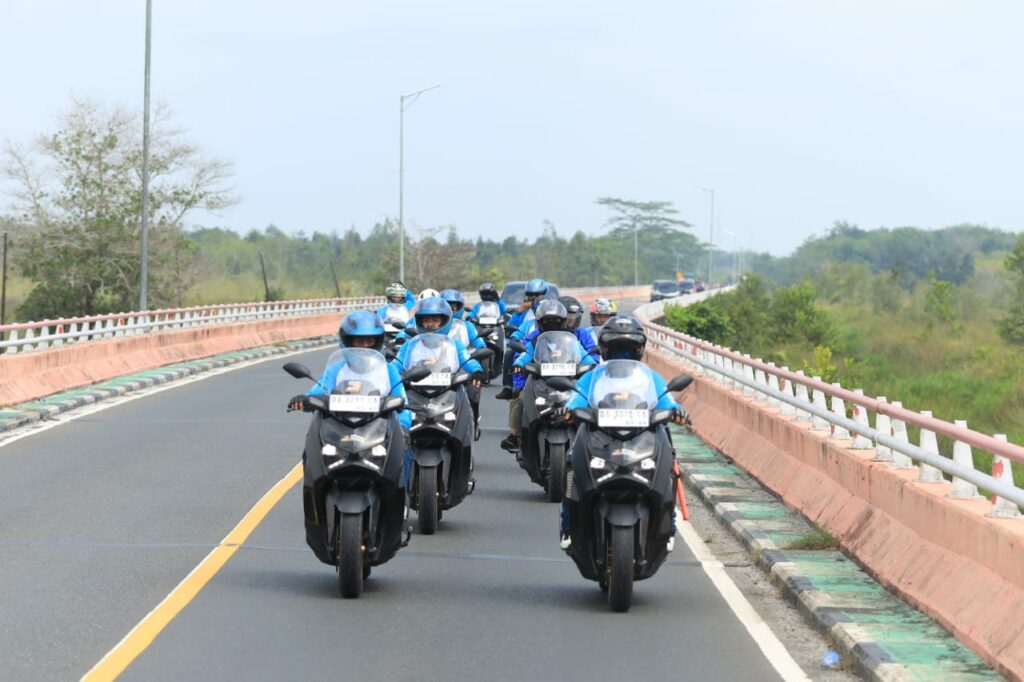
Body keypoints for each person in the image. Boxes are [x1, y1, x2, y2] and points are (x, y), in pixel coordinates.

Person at [557, 315, 691, 550]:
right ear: (605, 348)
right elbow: (576, 397)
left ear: (639, 349)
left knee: (668, 466)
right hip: (599, 437)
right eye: (617, 348)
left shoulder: (650, 377)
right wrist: (568, 410)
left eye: (629, 348)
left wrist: (677, 412)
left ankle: (668, 525)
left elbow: (667, 400)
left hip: (642, 438)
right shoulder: (593, 377)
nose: (623, 354)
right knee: (571, 465)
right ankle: (568, 525)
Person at [501, 299, 598, 452]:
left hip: (569, 380)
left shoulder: (571, 339)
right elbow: (524, 354)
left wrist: (592, 366)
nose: (551, 325)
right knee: (521, 399)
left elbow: (585, 356)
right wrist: (519, 365)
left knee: (588, 401)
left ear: (563, 321)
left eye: (556, 321)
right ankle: (517, 436)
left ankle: (591, 441)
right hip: (539, 379)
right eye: (547, 322)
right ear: (539, 322)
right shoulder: (534, 338)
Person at [496, 278, 549, 400]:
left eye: (537, 295)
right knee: (510, 353)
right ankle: (509, 387)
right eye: (531, 295)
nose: (534, 298)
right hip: (526, 349)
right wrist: (519, 312)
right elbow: (512, 330)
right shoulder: (526, 318)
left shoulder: (554, 307)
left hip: (550, 351)